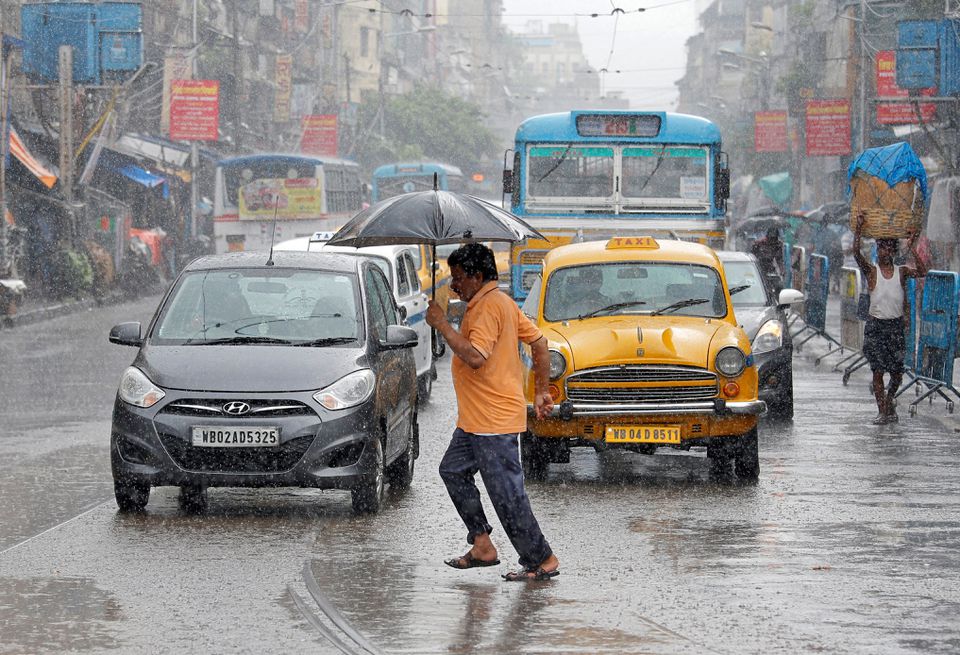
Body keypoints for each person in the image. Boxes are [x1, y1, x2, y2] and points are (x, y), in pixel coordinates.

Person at [425, 243, 560, 582]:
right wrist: (541, 390)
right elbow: (541, 343)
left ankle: (541, 559)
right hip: (475, 421)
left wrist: (443, 325)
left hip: (493, 421)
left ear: (477, 276)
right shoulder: (498, 301)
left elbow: (475, 357)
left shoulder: (488, 308)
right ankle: (483, 545)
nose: (454, 286)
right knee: (453, 471)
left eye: (458, 279)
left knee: (507, 494)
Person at [853, 214, 927, 425]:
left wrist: (911, 247)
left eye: (886, 249)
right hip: (876, 326)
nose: (882, 252)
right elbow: (857, 254)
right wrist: (859, 229)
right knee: (877, 371)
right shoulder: (871, 271)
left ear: (893, 252)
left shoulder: (901, 272)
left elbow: (922, 271)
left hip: (894, 327)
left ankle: (889, 399)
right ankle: (881, 410)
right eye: (879, 248)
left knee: (896, 373)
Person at [750, 226, 785, 293]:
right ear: (767, 237)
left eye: (774, 239)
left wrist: (782, 271)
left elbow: (779, 259)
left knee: (779, 286)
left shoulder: (778, 245)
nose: (772, 241)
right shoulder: (759, 243)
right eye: (771, 239)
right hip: (759, 267)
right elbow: (752, 256)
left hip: (770, 268)